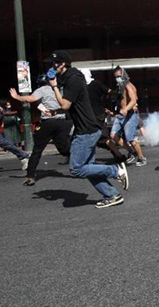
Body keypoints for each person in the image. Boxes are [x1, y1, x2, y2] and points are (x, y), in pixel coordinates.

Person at [46, 50, 129, 209]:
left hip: (86, 130)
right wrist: (55, 110)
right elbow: (69, 106)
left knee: (77, 169)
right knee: (89, 168)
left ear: (62, 64)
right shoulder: (70, 78)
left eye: (53, 63)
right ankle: (111, 195)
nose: (51, 66)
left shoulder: (73, 80)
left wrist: (54, 85)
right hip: (86, 128)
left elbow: (65, 104)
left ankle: (115, 170)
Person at [9, 74, 73, 186]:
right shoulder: (58, 90)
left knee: (37, 150)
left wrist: (16, 97)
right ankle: (83, 157)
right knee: (64, 149)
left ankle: (30, 176)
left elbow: (30, 99)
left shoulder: (41, 90)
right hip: (62, 122)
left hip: (48, 123)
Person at [79, 68, 125, 163]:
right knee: (98, 137)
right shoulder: (95, 84)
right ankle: (117, 155)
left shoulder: (82, 87)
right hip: (98, 114)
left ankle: (119, 155)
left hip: (91, 116)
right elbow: (110, 92)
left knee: (99, 137)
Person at [110, 66, 147, 167]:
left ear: (123, 75)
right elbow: (121, 100)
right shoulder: (120, 87)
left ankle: (141, 157)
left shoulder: (129, 86)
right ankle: (132, 151)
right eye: (115, 77)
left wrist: (126, 109)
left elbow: (134, 100)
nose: (117, 78)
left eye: (118, 76)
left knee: (131, 138)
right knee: (113, 135)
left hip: (130, 115)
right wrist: (114, 111)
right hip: (120, 115)